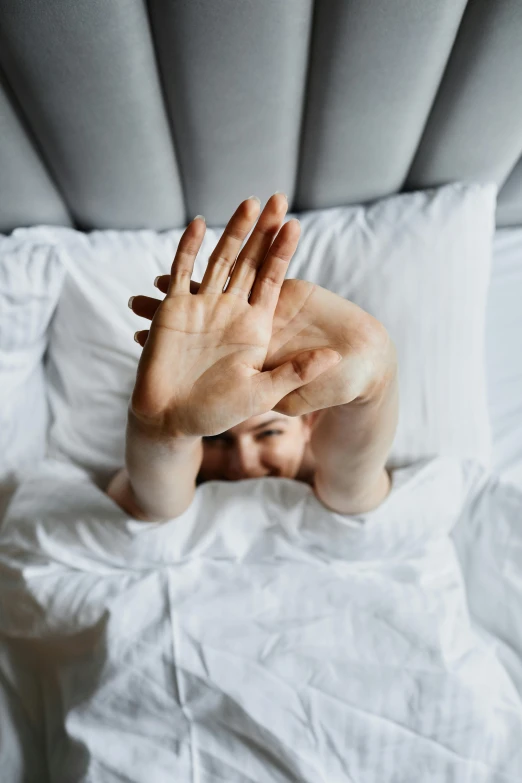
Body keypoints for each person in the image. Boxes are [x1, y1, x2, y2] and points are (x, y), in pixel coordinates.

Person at [106, 193, 399, 522]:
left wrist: (377, 378)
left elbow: (353, 491)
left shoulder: (333, 485)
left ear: (309, 424)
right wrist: (160, 430)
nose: (242, 465)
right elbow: (150, 507)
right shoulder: (176, 484)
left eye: (269, 433)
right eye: (217, 440)